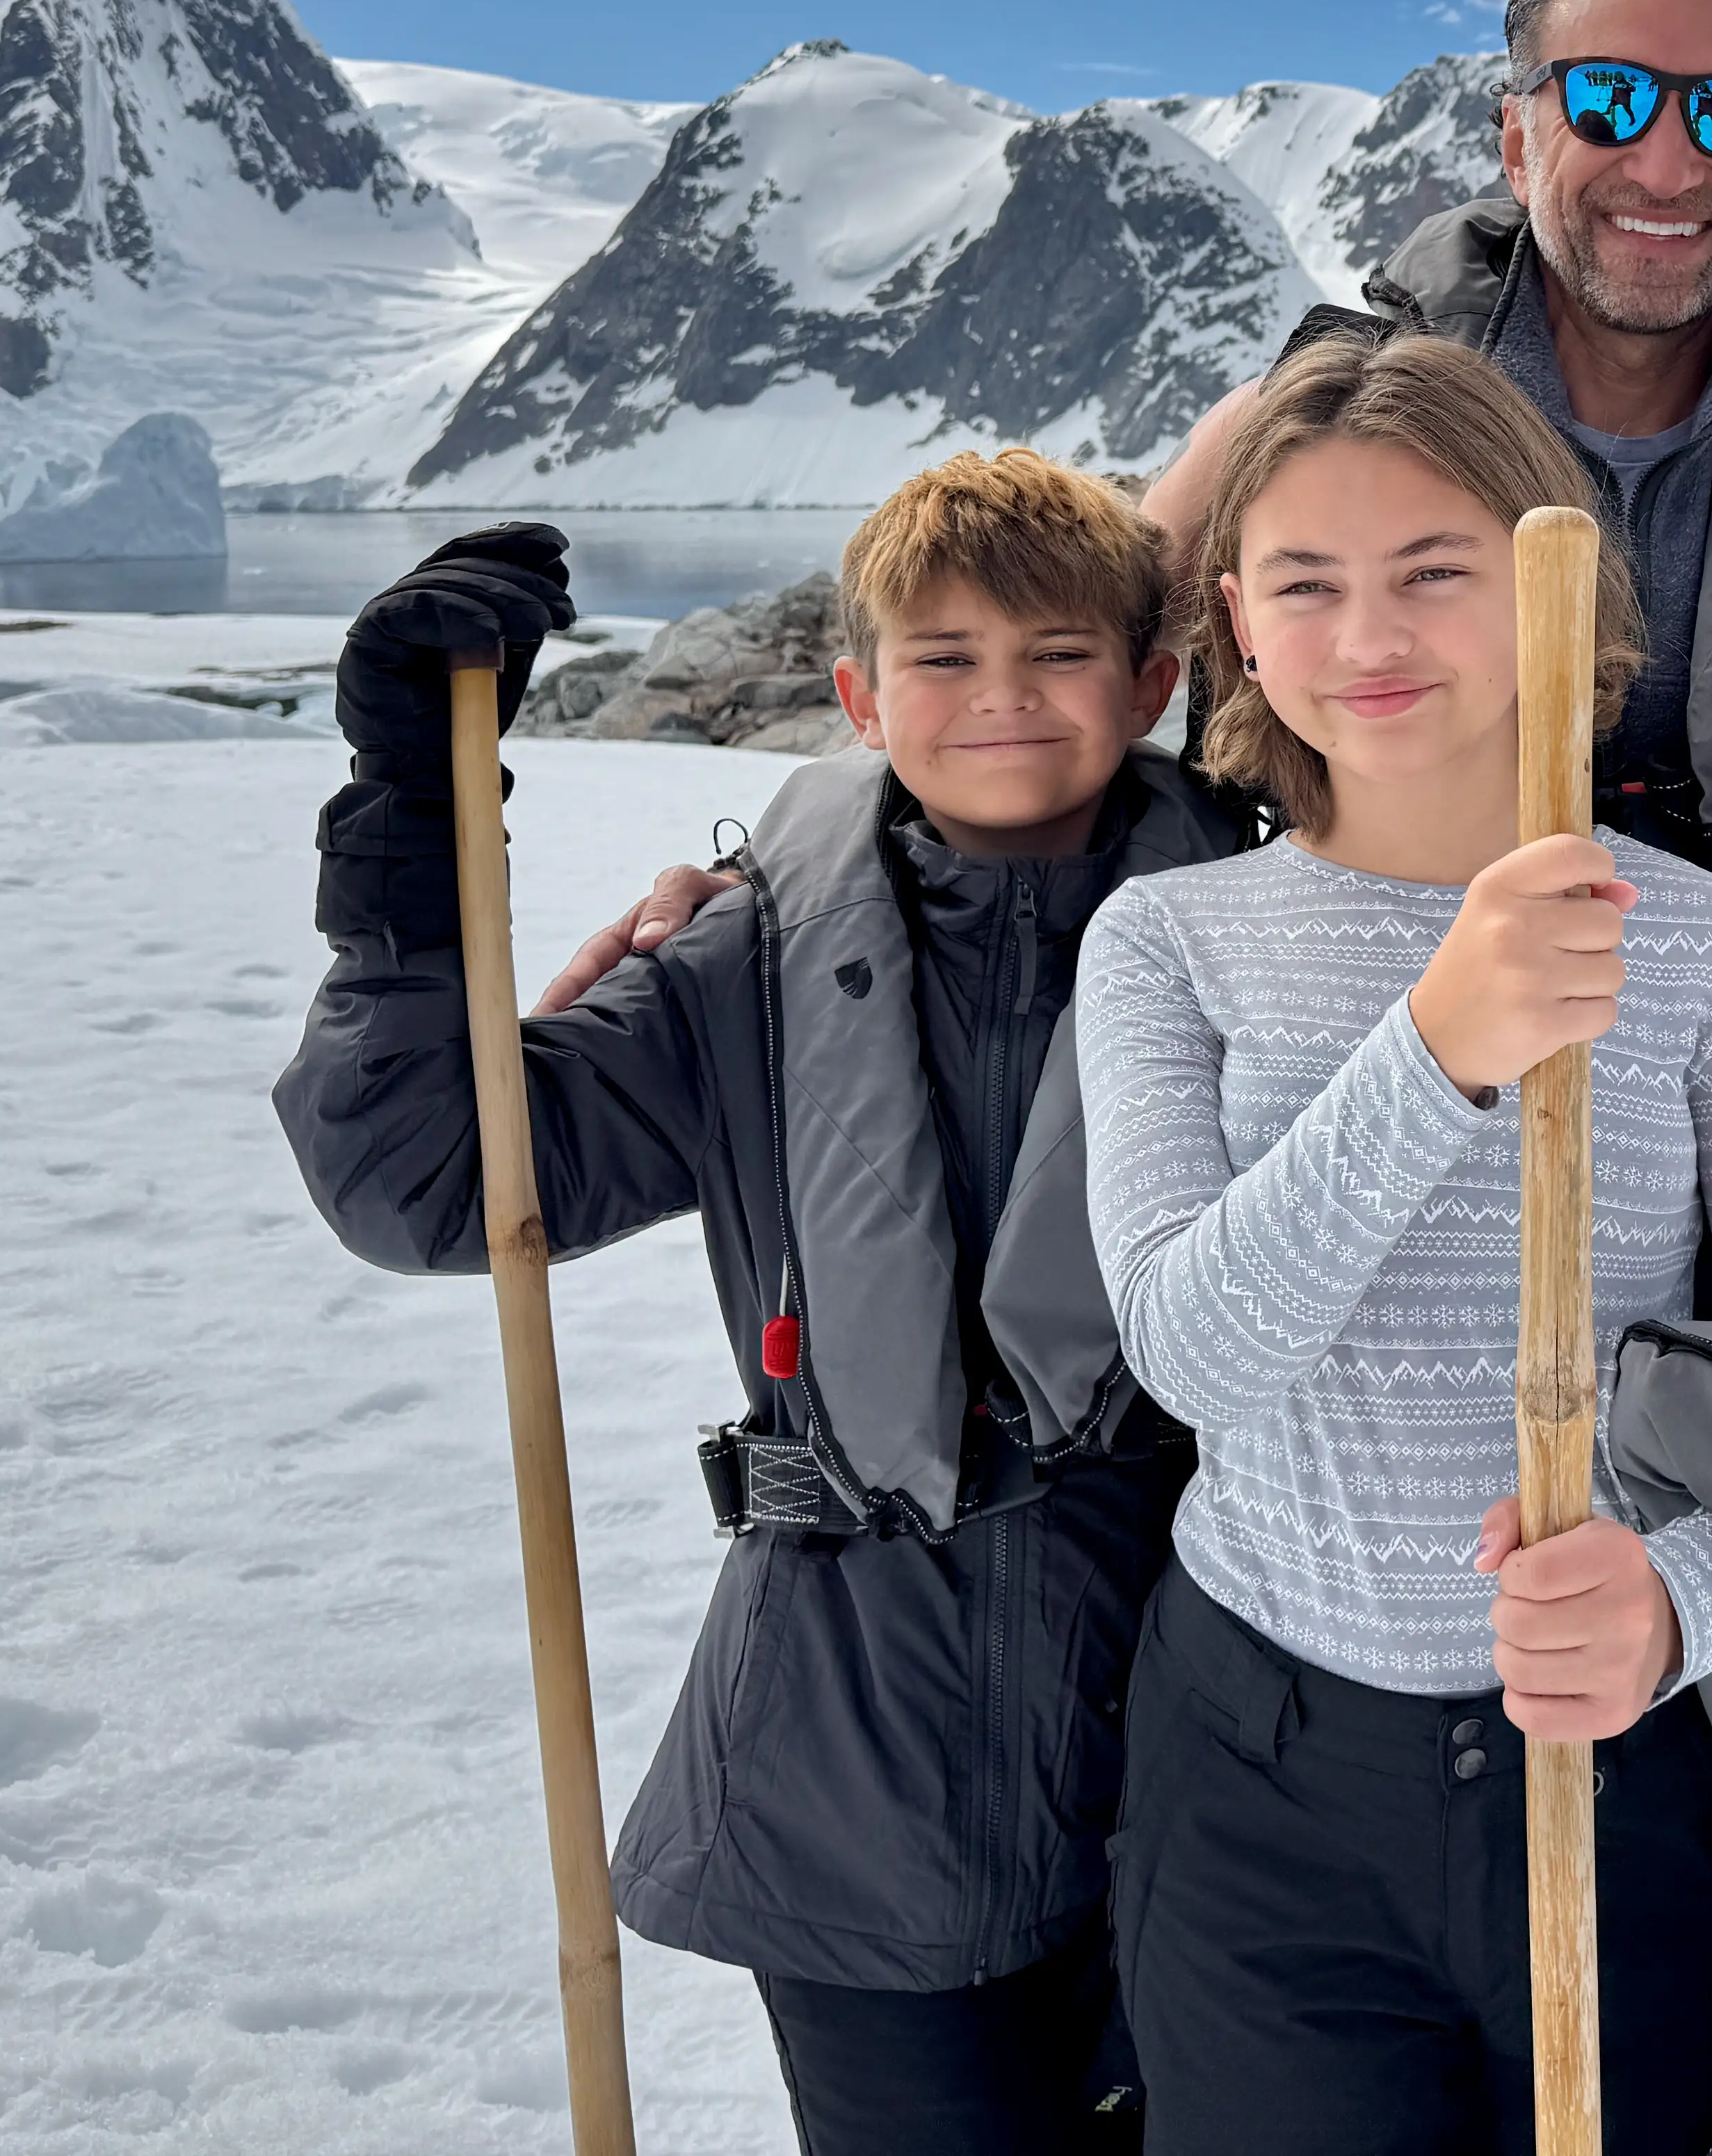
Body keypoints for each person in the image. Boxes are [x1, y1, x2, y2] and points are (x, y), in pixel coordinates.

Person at [271, 452, 1247, 2156]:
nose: (1003, 697)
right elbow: (430, 1182)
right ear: (859, 697)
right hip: (851, 1781)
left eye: (1059, 652)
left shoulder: (1266, 937)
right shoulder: (749, 964)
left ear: (1152, 684)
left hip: (1201, 1750)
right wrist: (414, 815)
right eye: (942, 657)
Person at [540, 0, 1712, 999]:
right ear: (1518, 137)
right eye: (1608, 98)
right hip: (1347, 1104)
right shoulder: (1295, 436)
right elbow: (1032, 693)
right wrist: (785, 881)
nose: (1667, 161)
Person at [1072, 325, 1712, 2156]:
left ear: (1555, 591)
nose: (1367, 635)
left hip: (1620, 1785)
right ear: (1238, 619)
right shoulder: (1167, 943)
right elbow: (1195, 1355)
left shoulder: (1708, 952)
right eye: (1306, 582)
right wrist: (1444, 1037)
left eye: (1435, 571)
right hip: (1261, 1790)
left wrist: (1676, 1602)